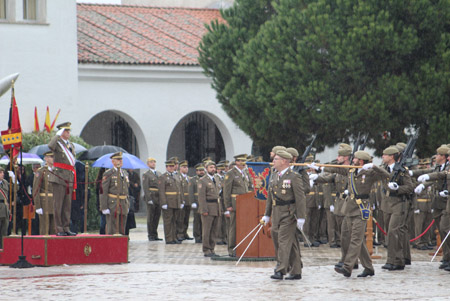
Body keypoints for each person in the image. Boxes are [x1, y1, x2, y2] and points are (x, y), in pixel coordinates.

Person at [312, 150, 390, 278]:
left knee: (355, 239)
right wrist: (320, 168)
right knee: (350, 238)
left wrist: (375, 166)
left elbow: (388, 175)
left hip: (361, 209)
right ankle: (369, 268)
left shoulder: (371, 173)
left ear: (360, 161)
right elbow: (337, 169)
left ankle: (347, 267)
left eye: (355, 159)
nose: (352, 160)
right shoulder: (351, 170)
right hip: (349, 208)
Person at [261, 150, 306, 280]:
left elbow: (300, 198)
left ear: (284, 161)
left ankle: (281, 270)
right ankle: (296, 270)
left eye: (276, 159)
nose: (273, 161)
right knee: (278, 238)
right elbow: (270, 196)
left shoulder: (294, 176)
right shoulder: (274, 175)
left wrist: (301, 217)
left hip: (289, 212)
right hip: (276, 212)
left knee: (283, 241)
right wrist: (267, 214)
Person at [415, 147, 450, 271]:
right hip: (437, 202)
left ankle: (448, 257)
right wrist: (422, 183)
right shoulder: (438, 167)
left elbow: (440, 176)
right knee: (441, 231)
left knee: (445, 229)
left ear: (444, 156)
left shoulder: (447, 168)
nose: (436, 156)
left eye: (438, 154)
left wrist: (428, 177)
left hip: (446, 202)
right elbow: (432, 175)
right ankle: (446, 257)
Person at [380, 146, 414, 271]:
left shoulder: (402, 170)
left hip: (399, 203)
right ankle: (395, 260)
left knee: (394, 231)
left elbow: (410, 187)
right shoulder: (383, 169)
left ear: (391, 156)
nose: (383, 157)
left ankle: (395, 260)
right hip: (386, 204)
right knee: (390, 233)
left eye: (385, 155)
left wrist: (397, 189)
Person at [48, 122, 77, 236]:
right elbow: (50, 146)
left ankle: (66, 227)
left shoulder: (71, 145)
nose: (69, 133)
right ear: (61, 132)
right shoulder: (57, 143)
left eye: (69, 131)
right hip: (59, 177)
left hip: (69, 177)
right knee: (58, 205)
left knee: (66, 205)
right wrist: (57, 135)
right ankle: (58, 228)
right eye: (66, 131)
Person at [223, 154, 251, 257]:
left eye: (244, 162)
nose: (243, 164)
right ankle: (232, 249)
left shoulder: (245, 173)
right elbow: (226, 191)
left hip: (245, 203)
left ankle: (241, 247)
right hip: (235, 204)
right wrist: (228, 205)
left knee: (243, 226)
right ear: (237, 162)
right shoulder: (231, 173)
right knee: (233, 227)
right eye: (241, 161)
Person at [100, 152, 130, 235]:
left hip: (123, 203)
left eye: (121, 160)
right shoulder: (109, 173)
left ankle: (120, 245)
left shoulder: (125, 173)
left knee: (122, 226)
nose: (120, 161)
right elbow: (103, 191)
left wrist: (128, 203)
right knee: (112, 227)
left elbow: (126, 189)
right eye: (118, 160)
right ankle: (111, 245)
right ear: (113, 162)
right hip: (113, 203)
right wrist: (104, 207)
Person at [198, 161, 221, 257]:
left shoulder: (216, 178)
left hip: (216, 207)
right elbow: (201, 197)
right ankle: (206, 249)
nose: (213, 169)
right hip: (208, 207)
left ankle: (212, 249)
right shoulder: (203, 180)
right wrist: (204, 210)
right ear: (206, 168)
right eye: (211, 167)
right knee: (207, 230)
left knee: (214, 230)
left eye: (214, 167)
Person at [159, 159, 182, 244]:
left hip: (176, 201)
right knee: (168, 221)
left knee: (175, 220)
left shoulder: (176, 176)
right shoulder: (163, 177)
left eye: (173, 166)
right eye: (170, 166)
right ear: (166, 167)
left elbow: (179, 190)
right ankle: (169, 238)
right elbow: (161, 191)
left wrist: (181, 201)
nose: (172, 168)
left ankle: (174, 237)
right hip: (168, 202)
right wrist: (164, 203)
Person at [33, 151, 56, 235]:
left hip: (54, 202)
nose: (53, 159)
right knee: (45, 228)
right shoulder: (41, 171)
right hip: (44, 202)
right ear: (46, 158)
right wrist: (38, 206)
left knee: (54, 228)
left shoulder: (56, 171)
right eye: (50, 157)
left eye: (53, 157)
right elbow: (36, 189)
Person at [142, 157, 162, 241]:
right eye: (151, 162)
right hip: (151, 196)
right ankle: (150, 235)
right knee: (151, 216)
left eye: (154, 162)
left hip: (159, 197)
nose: (153, 163)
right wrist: (148, 198)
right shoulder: (146, 174)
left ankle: (155, 234)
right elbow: (145, 187)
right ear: (148, 164)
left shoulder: (158, 173)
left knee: (157, 216)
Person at [189, 163, 205, 243]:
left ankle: (203, 235)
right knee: (197, 220)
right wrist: (192, 202)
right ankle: (197, 236)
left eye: (202, 170)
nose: (201, 172)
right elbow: (191, 192)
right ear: (196, 171)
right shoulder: (193, 180)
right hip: (197, 202)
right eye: (199, 171)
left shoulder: (205, 179)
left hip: (204, 202)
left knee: (204, 220)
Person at [178, 160, 193, 241]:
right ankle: (180, 233)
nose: (186, 168)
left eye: (186, 167)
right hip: (182, 200)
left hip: (188, 201)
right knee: (181, 218)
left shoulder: (189, 178)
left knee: (186, 218)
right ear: (180, 168)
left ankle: (185, 232)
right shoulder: (179, 177)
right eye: (184, 167)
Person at [0, 167, 10, 248]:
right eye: (1, 172)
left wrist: (15, 180)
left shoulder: (5, 182)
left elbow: (15, 190)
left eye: (3, 172)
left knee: (4, 231)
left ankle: (3, 248)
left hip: (5, 209)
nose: (2, 174)